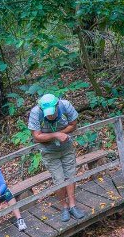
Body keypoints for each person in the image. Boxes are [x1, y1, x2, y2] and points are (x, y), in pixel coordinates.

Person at [28, 93, 85, 223]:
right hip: (49, 152)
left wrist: (61, 134)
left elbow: (73, 124)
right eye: (47, 113)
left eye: (52, 112)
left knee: (70, 176)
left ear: (57, 105)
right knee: (59, 180)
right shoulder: (36, 112)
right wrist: (56, 135)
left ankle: (72, 205)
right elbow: (36, 136)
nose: (50, 116)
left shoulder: (65, 105)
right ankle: (64, 207)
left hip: (67, 148)